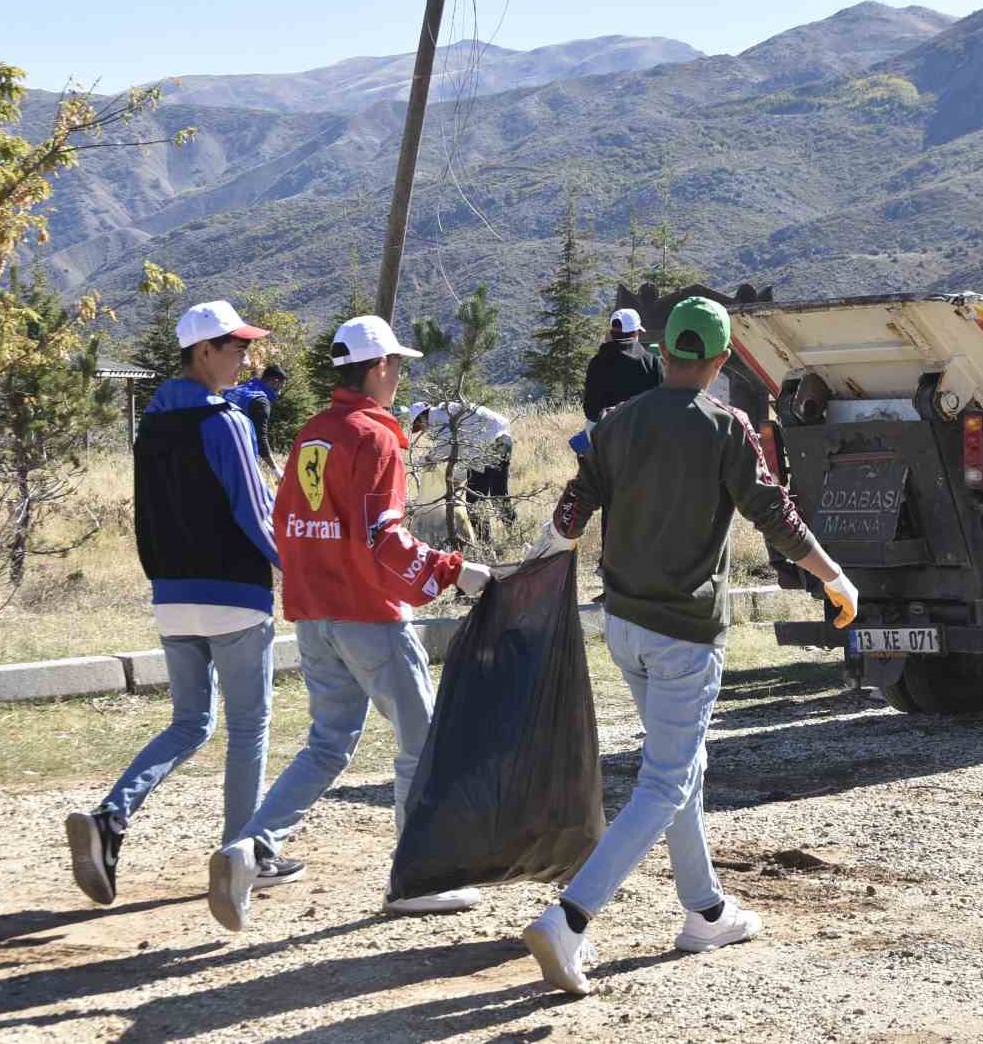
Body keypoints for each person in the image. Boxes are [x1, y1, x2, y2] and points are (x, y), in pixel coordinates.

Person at [518, 296, 859, 996]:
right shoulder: (725, 427)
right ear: (720, 361)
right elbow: (778, 516)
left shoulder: (617, 423)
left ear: (663, 351)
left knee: (684, 763)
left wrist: (535, 562)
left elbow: (573, 507)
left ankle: (705, 908)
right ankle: (570, 918)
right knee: (664, 780)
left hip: (624, 626)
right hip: (684, 634)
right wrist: (834, 576)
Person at [205, 315, 494, 932]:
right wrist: (455, 571)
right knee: (424, 742)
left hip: (315, 615)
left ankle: (250, 848)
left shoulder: (314, 433)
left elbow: (288, 523)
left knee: (328, 744)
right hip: (370, 616)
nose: (398, 376)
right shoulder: (376, 438)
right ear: (380, 367)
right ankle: (416, 878)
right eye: (397, 365)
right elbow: (383, 536)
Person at [65, 301, 300, 904]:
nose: (247, 357)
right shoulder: (228, 422)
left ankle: (111, 818)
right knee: (249, 727)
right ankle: (243, 854)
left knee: (190, 723)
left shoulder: (153, 426)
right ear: (203, 352)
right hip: (235, 596)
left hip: (172, 594)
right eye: (236, 347)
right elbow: (255, 513)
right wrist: (298, 573)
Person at [409, 400, 517, 528]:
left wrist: (428, 459)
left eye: (420, 425)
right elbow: (464, 449)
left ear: (422, 416)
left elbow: (448, 446)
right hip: (503, 440)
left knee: (474, 501)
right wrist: (459, 478)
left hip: (488, 447)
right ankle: (514, 531)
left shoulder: (439, 418)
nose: (423, 429)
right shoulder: (446, 409)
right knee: (498, 494)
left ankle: (485, 543)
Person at [581, 308, 662, 423]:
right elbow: (660, 403)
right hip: (643, 432)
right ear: (635, 333)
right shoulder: (651, 362)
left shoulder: (597, 362)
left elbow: (590, 410)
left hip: (606, 431)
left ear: (612, 334)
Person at [223, 363, 288, 482]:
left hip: (216, 448)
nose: (279, 392)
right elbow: (261, 439)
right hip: (238, 458)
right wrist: (276, 470)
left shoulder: (235, 389)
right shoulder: (261, 402)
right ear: (275, 381)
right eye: (280, 387)